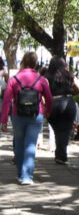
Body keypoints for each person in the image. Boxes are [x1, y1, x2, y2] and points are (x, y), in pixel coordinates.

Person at [1, 52, 54, 185]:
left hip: (17, 115)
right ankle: (26, 176)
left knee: (18, 144)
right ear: (36, 63)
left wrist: (3, 121)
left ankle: (20, 173)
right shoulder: (41, 79)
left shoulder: (14, 79)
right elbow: (49, 98)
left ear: (23, 61)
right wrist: (48, 111)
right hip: (36, 115)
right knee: (30, 144)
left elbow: (7, 100)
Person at [43, 56, 79, 166]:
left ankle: (60, 154)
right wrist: (71, 94)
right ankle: (61, 155)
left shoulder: (46, 76)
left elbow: (43, 91)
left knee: (57, 130)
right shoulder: (69, 75)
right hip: (68, 102)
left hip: (53, 103)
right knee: (65, 130)